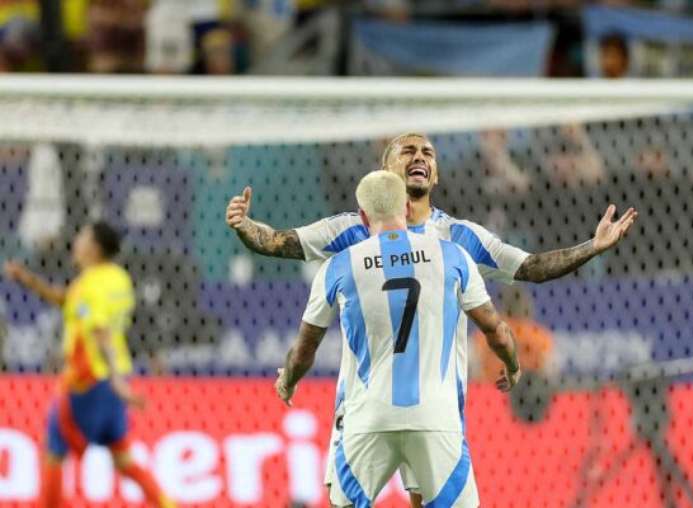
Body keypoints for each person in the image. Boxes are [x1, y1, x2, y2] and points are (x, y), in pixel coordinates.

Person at [226, 132, 637, 505]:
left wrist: (591, 247)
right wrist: (245, 227)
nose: (419, 156)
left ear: (435, 174)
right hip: (368, 407)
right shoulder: (352, 228)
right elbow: (282, 242)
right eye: (407, 150)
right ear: (386, 171)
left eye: (427, 152)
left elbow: (529, 266)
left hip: (429, 407)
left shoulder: (459, 237)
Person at [274, 171, 521, 506]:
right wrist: (512, 364)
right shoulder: (452, 256)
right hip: (436, 418)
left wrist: (288, 381)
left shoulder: (338, 266)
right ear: (406, 207)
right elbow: (497, 331)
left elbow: (305, 350)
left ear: (362, 217)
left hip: (368, 419)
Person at [3, 222, 175, 508]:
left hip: (89, 381)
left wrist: (118, 384)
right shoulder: (117, 279)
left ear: (93, 248)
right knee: (123, 460)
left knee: (54, 450)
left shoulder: (89, 286)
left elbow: (99, 332)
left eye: (81, 236)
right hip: (113, 384)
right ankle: (168, 504)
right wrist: (28, 280)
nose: (75, 241)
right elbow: (67, 300)